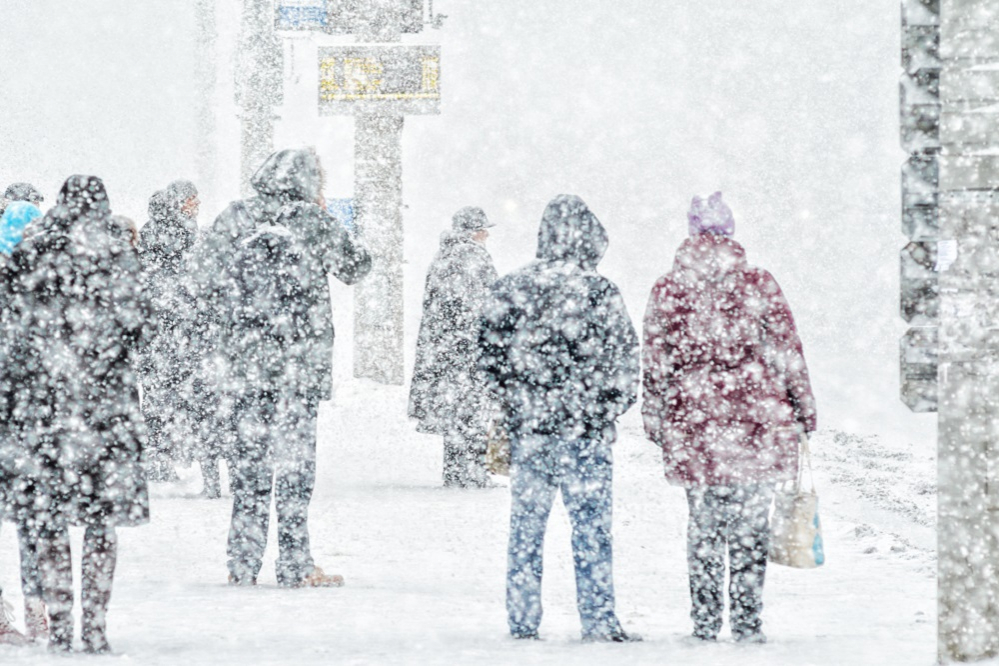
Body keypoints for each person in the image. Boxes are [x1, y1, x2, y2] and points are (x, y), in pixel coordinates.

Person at [641, 192, 817, 644]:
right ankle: (746, 621)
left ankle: (704, 622)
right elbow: (786, 352)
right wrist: (803, 409)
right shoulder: (759, 284)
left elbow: (656, 360)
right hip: (755, 423)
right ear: (731, 233)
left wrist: (656, 417)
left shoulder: (668, 288)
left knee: (703, 526)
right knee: (750, 530)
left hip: (694, 423)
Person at [193, 148, 371, 587]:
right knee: (294, 468)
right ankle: (295, 562)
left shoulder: (237, 215)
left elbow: (200, 275)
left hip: (245, 366)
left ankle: (242, 562)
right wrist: (329, 218)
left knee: (249, 467)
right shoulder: (311, 221)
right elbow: (356, 266)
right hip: (299, 367)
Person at [478, 194, 641, 642]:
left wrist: (517, 403)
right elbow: (626, 363)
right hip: (586, 435)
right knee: (591, 532)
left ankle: (522, 619)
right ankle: (599, 620)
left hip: (531, 432)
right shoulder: (599, 290)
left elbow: (487, 358)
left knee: (526, 530)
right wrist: (601, 409)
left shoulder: (512, 287)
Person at [1, 175, 151, 653]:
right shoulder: (117, 254)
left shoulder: (28, 255)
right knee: (100, 520)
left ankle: (60, 623)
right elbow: (138, 329)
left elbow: (11, 333)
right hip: (105, 410)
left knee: (48, 518)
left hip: (44, 409)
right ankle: (96, 624)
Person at [409, 206, 498, 488]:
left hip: (444, 348)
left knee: (455, 410)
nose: (486, 235)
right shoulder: (473, 257)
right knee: (473, 410)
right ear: (474, 232)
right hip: (469, 347)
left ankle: (455, 472)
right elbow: (488, 304)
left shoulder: (443, 256)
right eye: (483, 229)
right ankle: (474, 473)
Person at [137, 186, 200, 483]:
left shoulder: (156, 231)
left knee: (159, 393)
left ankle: (161, 454)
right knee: (167, 393)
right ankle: (162, 454)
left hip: (163, 326)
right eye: (191, 198)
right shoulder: (174, 233)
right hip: (171, 326)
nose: (196, 203)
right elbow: (186, 278)